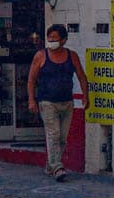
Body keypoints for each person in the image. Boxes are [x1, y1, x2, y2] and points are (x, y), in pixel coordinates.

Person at [27, 23, 89, 182]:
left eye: (54, 38)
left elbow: (81, 76)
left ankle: (50, 165)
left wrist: (85, 95)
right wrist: (31, 99)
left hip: (67, 102)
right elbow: (31, 79)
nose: (51, 40)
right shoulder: (41, 56)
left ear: (63, 40)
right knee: (53, 134)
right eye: (49, 37)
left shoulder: (72, 56)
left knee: (62, 137)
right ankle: (57, 167)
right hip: (47, 102)